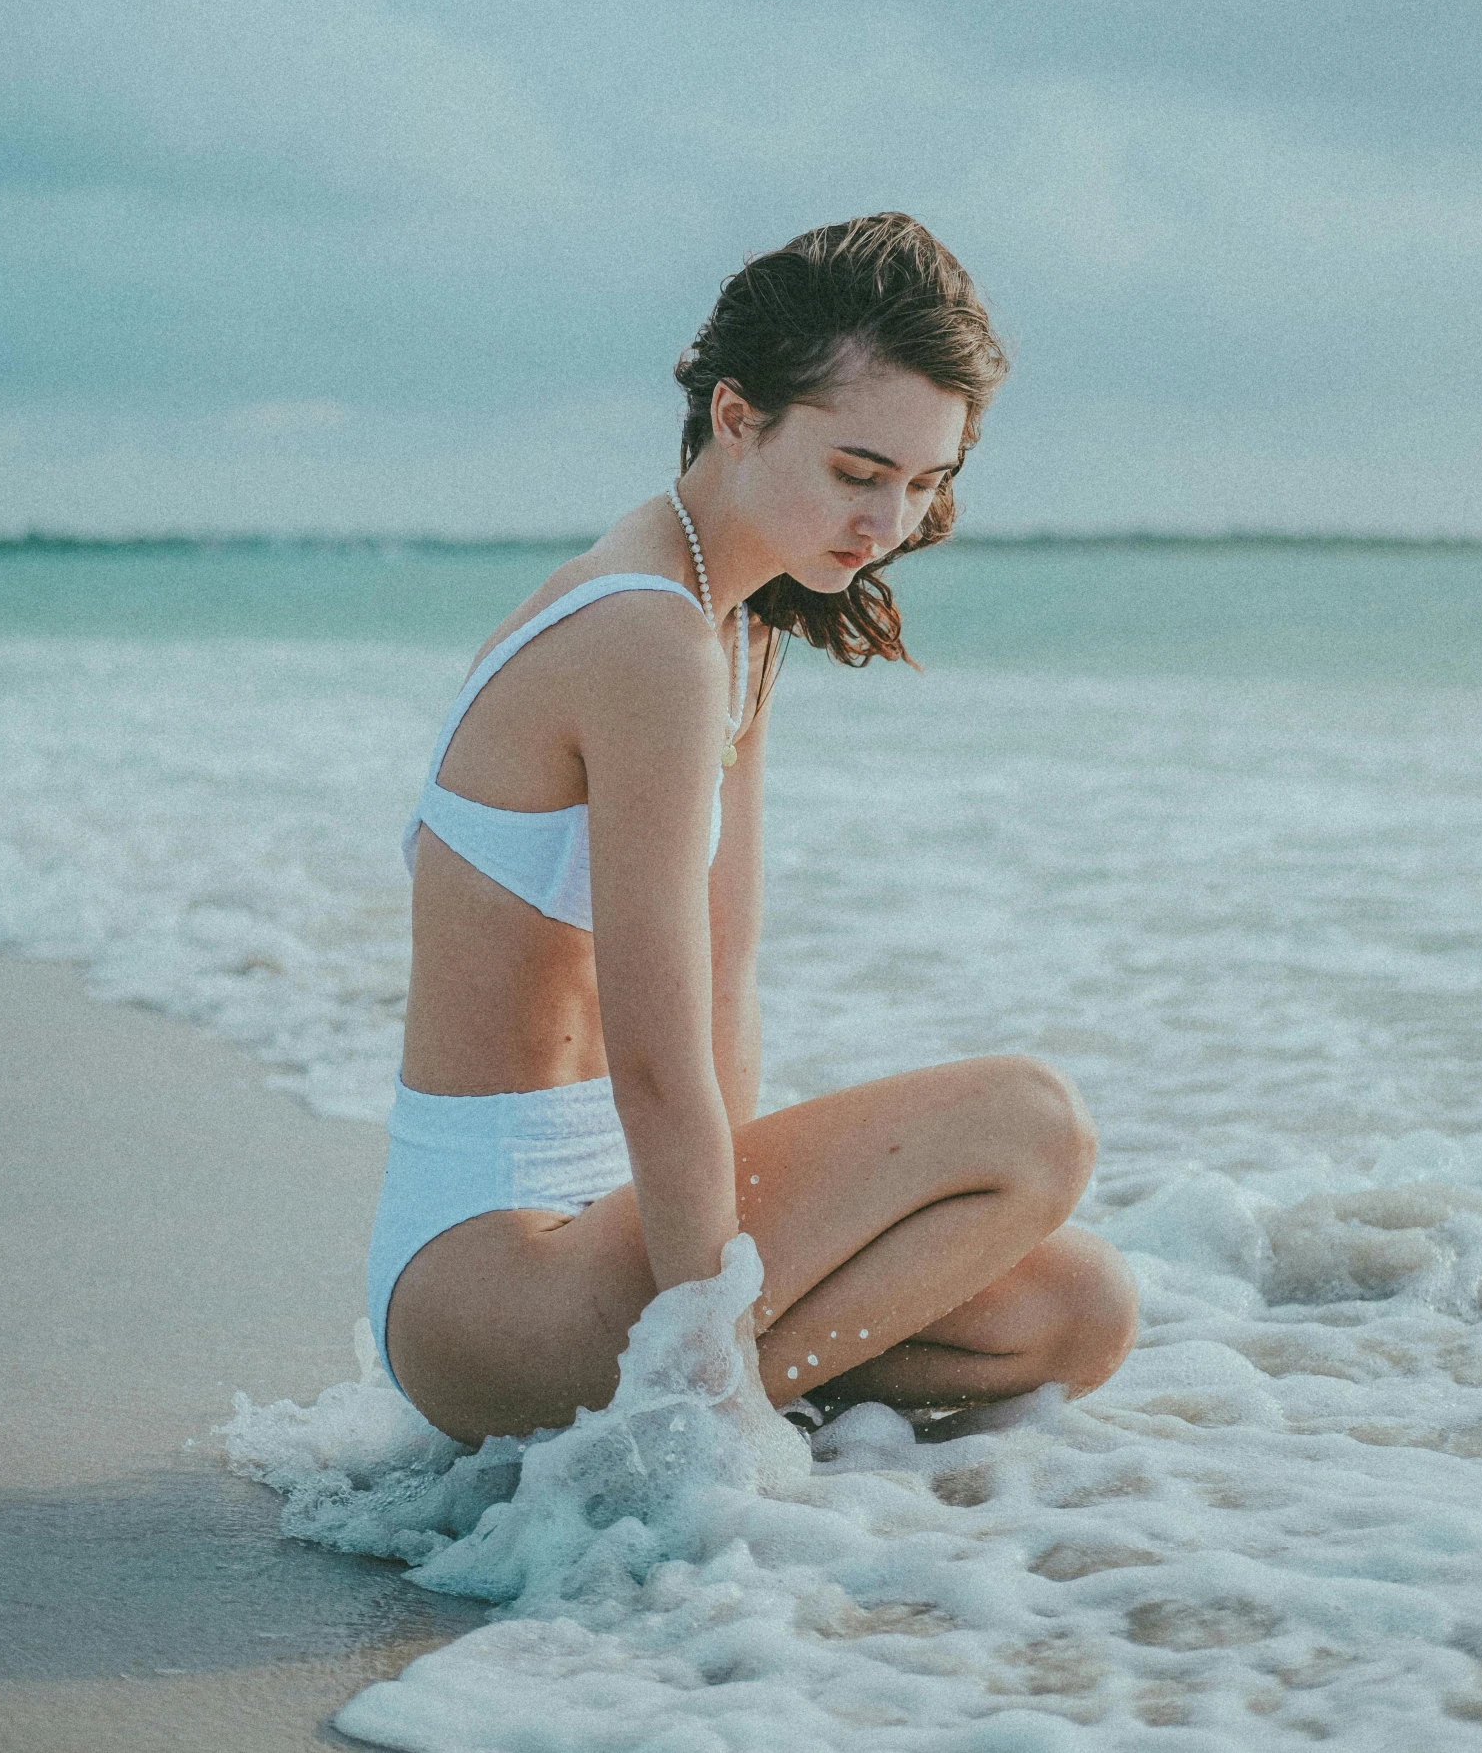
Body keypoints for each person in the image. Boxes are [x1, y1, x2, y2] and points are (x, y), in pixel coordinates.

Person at [367, 214, 1137, 1444]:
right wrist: (707, 1345)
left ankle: (690, 1399)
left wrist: (739, 1277)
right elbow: (657, 1062)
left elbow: (725, 992)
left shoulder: (735, 624)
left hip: (600, 1237)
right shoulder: (646, 637)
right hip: (488, 1279)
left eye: (924, 483)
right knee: (1030, 1119)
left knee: (1073, 1310)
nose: (887, 523)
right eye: (856, 471)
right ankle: (692, 1408)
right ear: (737, 417)